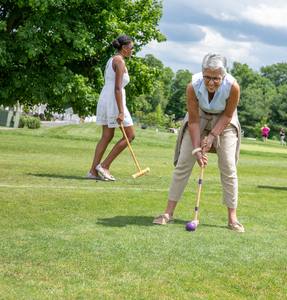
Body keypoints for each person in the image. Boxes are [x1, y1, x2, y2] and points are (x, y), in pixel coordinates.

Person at [153, 53, 244, 232]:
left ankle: (232, 218)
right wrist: (197, 149)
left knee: (228, 166)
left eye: (216, 79)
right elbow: (193, 121)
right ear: (202, 74)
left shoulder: (233, 87)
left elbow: (227, 115)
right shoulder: (192, 86)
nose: (211, 82)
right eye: (207, 77)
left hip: (225, 121)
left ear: (223, 76)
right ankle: (168, 213)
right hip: (199, 117)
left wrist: (211, 137)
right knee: (183, 163)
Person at [87, 34, 135, 181]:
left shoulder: (111, 60)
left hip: (106, 98)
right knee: (130, 135)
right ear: (124, 48)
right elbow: (117, 88)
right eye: (131, 48)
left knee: (107, 136)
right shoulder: (119, 62)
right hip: (114, 99)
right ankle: (105, 166)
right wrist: (121, 111)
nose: (133, 51)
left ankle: (93, 172)